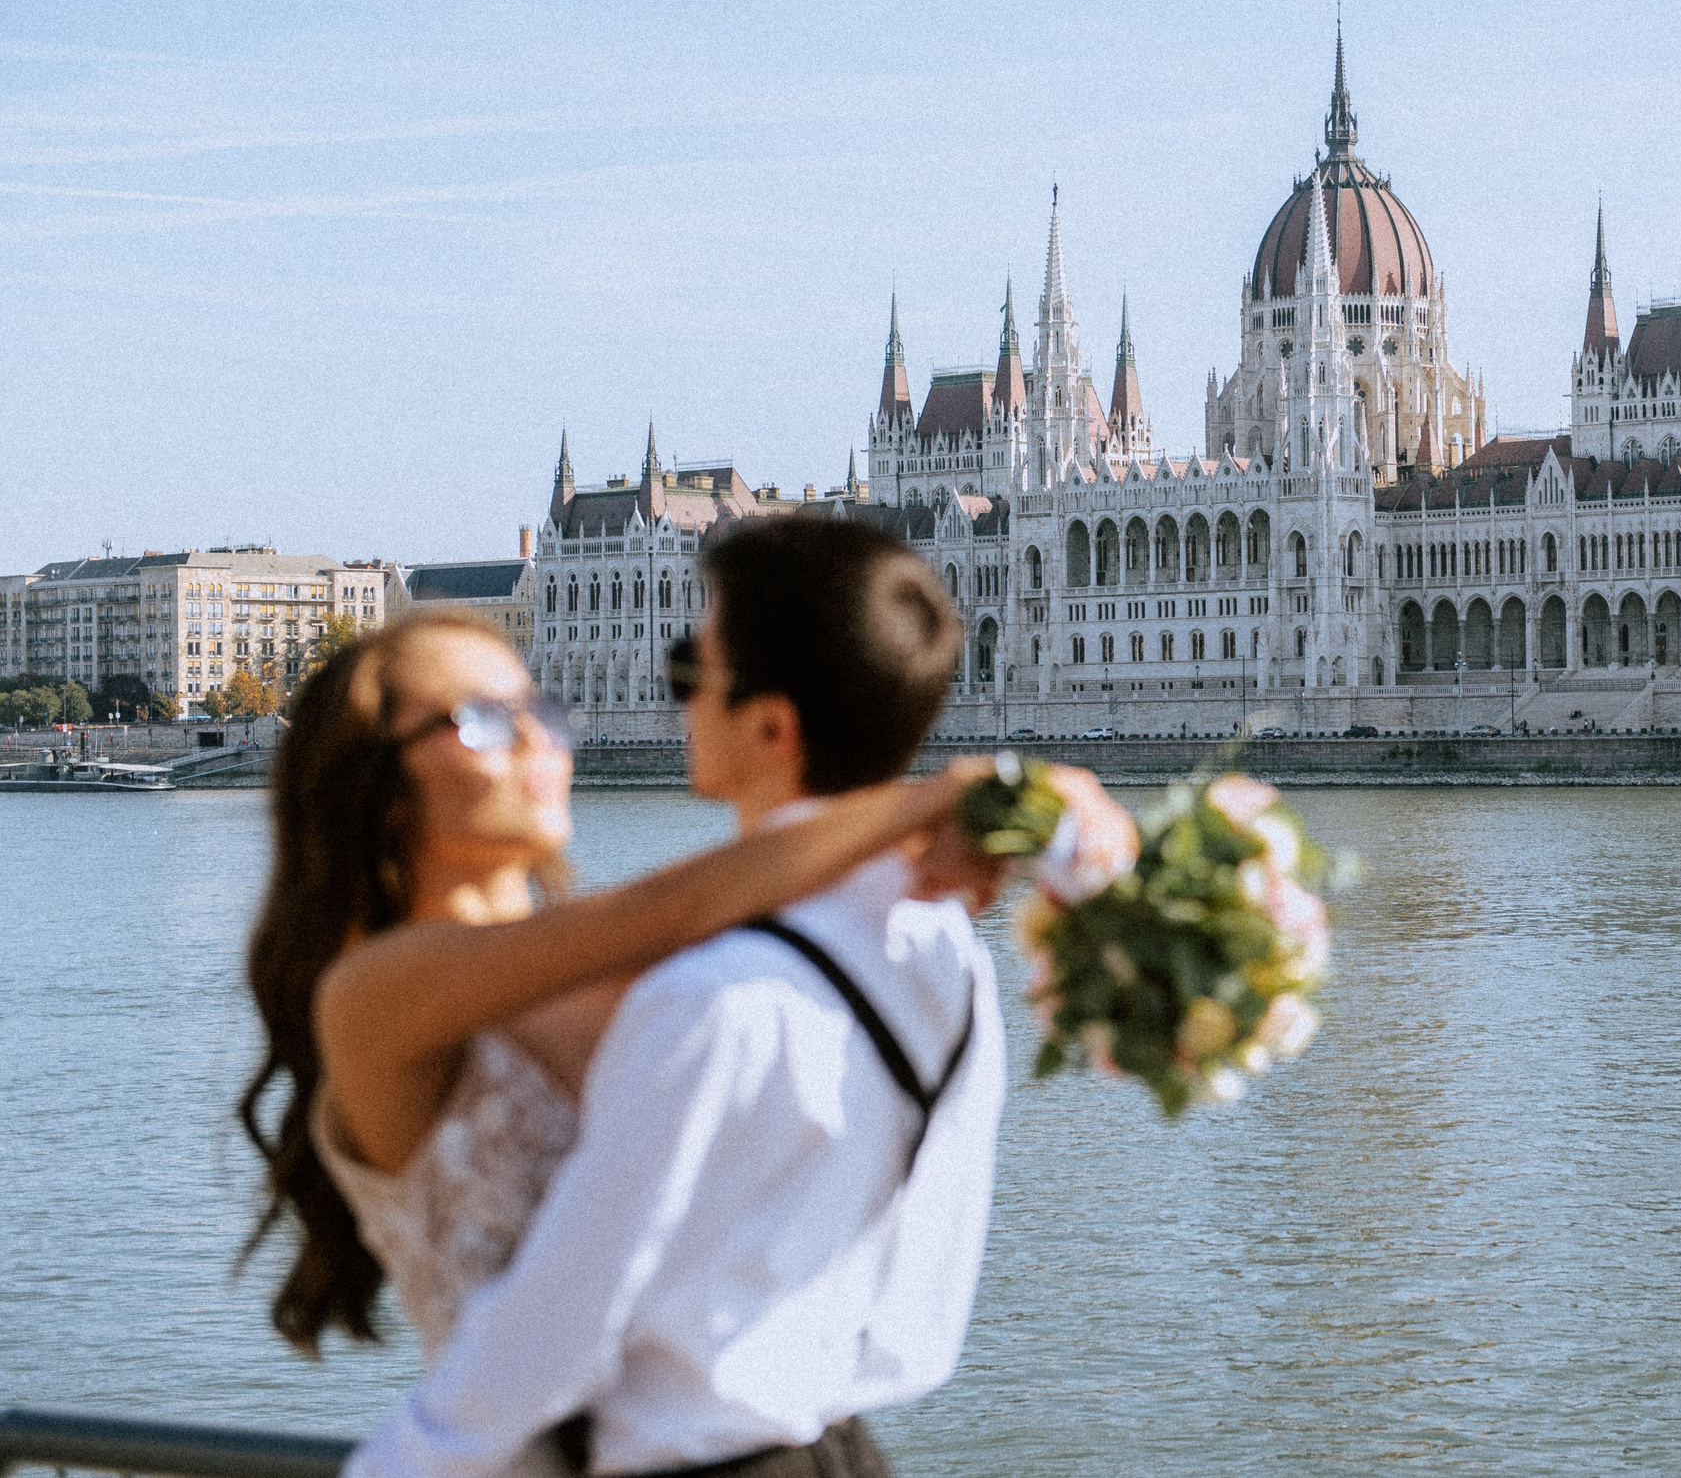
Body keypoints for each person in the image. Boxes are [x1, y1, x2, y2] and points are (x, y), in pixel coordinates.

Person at [347, 516, 1088, 1478]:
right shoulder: (944, 956)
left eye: (691, 671)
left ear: (769, 726)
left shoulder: (713, 998)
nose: (676, 699)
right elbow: (922, 1289)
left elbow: (562, 1319)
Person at [240, 610, 988, 1360]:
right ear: (378, 781)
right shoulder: (371, 996)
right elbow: (683, 906)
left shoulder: (626, 965)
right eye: (481, 720)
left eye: (541, 710)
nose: (539, 740)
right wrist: (932, 803)